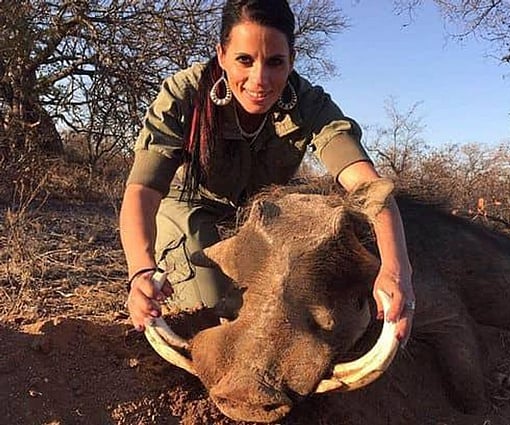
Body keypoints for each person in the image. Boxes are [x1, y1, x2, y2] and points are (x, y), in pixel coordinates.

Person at [120, 0, 415, 345]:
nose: (260, 80)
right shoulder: (183, 94)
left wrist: (396, 269)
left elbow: (368, 187)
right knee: (213, 314)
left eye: (275, 62)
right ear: (221, 54)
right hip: (192, 208)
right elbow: (143, 191)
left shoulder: (310, 103)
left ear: (292, 59)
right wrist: (141, 271)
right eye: (244, 60)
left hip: (266, 217)